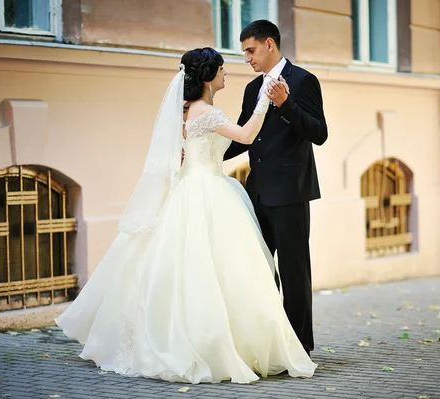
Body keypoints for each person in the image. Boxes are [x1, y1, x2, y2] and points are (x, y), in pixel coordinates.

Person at [55, 47, 316, 384]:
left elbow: (194, 150)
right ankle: (216, 343)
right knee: (216, 270)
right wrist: (266, 100)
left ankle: (210, 337)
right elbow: (247, 136)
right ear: (208, 75)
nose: (227, 73)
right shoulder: (206, 111)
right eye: (222, 69)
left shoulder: (186, 110)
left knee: (198, 270)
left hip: (196, 188)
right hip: (207, 192)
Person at [224, 20, 328, 356]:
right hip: (256, 192)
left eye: (250, 50)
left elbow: (319, 133)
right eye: (244, 53)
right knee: (260, 268)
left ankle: (300, 346)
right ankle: (271, 341)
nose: (247, 58)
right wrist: (209, 154)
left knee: (294, 271)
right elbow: (244, 135)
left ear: (270, 44)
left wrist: (286, 104)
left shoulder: (303, 81)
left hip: (291, 192)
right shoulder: (251, 89)